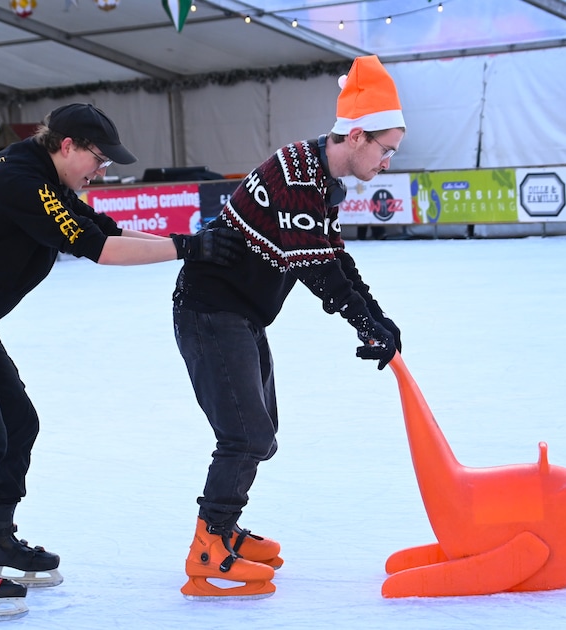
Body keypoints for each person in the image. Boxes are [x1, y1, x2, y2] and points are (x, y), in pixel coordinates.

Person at [0, 103, 244, 622]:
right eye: (98, 159)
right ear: (67, 145)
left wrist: (193, 245)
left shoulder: (40, 178)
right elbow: (101, 250)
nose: (101, 171)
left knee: (18, 423)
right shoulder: (22, 185)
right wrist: (188, 249)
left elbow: (106, 228)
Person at [172, 55, 404, 600]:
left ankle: (223, 531)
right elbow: (317, 268)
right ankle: (208, 548)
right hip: (210, 310)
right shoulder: (295, 172)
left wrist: (377, 316)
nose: (388, 162)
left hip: (242, 313)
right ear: (354, 134)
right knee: (245, 434)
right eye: (385, 149)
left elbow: (333, 256)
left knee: (261, 433)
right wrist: (363, 321)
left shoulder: (322, 181)